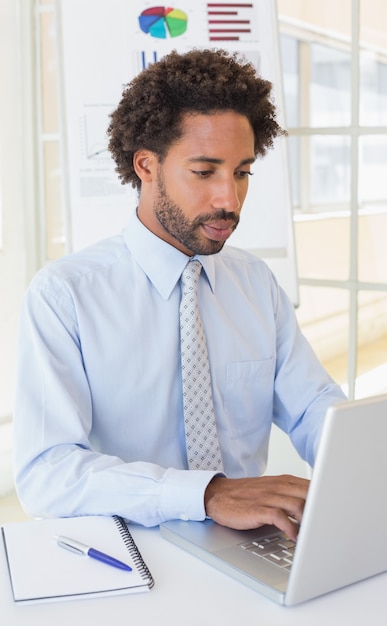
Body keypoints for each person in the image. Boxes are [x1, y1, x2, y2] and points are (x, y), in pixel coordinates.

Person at [14, 49, 346, 541]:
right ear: (146, 166)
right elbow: (47, 472)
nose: (229, 200)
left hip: (250, 549)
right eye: (204, 171)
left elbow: (315, 409)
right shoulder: (66, 295)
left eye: (241, 172)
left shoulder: (255, 283)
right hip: (129, 557)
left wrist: (370, 468)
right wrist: (206, 495)